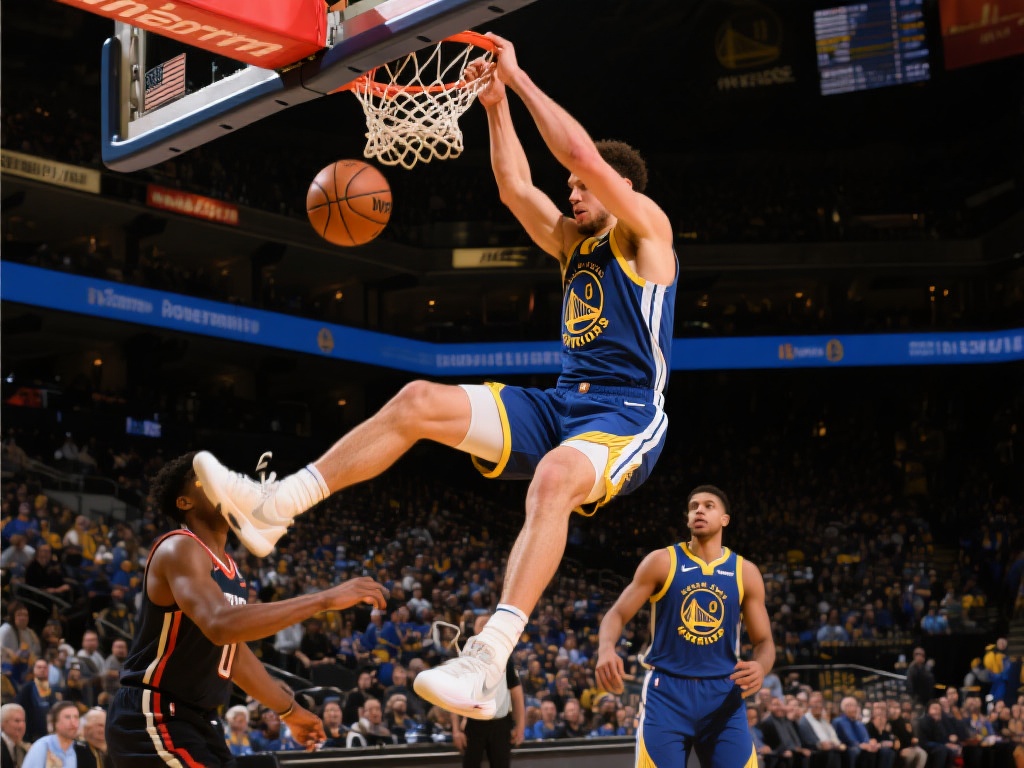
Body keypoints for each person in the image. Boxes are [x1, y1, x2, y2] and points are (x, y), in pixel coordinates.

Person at [190, 28, 677, 721]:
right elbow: (515, 188)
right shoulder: (574, 245)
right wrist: (495, 107)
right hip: (563, 403)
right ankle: (280, 504)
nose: (571, 194)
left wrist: (519, 77)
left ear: (619, 188)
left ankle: (488, 660)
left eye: (582, 189)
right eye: (569, 190)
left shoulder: (648, 232)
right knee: (418, 399)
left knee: (554, 478)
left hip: (625, 415)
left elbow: (578, 154)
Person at [104, 451, 389, 767]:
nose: (224, 483)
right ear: (184, 502)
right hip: (153, 713)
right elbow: (219, 624)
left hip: (198, 720)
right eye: (206, 479)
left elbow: (233, 654)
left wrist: (289, 710)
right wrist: (324, 600)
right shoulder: (180, 546)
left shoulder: (229, 569)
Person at [594, 485, 774, 766]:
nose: (699, 510)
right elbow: (616, 614)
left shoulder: (745, 572)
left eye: (708, 506)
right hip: (667, 692)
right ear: (688, 519)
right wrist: (606, 648)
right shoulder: (662, 562)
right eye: (693, 507)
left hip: (723, 694)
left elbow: (764, 642)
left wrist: (761, 667)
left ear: (725, 519)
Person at [451, 614, 525, 768]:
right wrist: (456, 730)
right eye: (481, 624)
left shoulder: (505, 658)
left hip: (501, 724)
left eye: (489, 625)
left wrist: (520, 726)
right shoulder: (464, 658)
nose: (485, 628)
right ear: (474, 630)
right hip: (473, 723)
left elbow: (517, 695)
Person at [21, 701, 78, 768]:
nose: (73, 722)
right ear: (55, 722)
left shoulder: (79, 750)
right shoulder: (41, 747)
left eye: (76, 717)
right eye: (67, 717)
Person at [1, 703, 30, 768]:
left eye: (23, 721)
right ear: (3, 723)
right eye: (17, 721)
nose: (22, 726)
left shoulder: (23, 749)